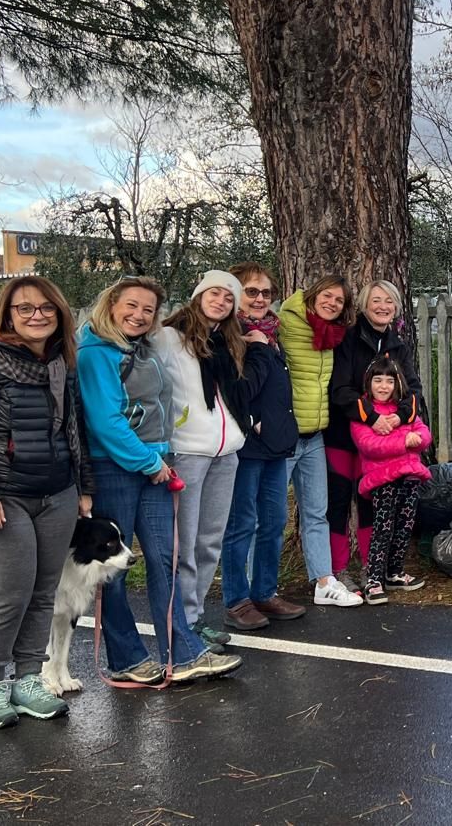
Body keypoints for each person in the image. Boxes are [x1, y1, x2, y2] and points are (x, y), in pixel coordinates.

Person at [77, 276, 241, 684]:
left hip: (155, 464)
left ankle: (183, 652)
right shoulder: (95, 353)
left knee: (165, 557)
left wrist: (158, 458)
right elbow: (105, 421)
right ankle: (127, 659)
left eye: (148, 310)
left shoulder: (145, 348)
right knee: (114, 566)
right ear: (111, 304)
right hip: (116, 469)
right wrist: (149, 462)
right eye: (131, 306)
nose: (139, 315)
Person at [0, 276, 92, 729]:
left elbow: (75, 429)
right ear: (7, 314)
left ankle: (29, 679)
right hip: (3, 498)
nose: (36, 315)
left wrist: (83, 487)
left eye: (46, 307)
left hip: (58, 496)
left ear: (59, 314)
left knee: (43, 595)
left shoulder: (62, 362)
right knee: (9, 596)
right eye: (25, 308)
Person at [156, 270, 249, 651]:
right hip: (188, 450)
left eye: (229, 298)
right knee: (185, 541)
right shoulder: (169, 337)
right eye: (215, 293)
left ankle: (194, 617)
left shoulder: (228, 343)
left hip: (226, 451)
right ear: (198, 295)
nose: (221, 301)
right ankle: (181, 623)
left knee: (210, 540)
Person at [221, 262, 306, 632]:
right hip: (246, 445)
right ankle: (236, 600)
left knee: (274, 521)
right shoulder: (231, 336)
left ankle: (265, 592)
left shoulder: (272, 334)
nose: (259, 299)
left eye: (266, 292)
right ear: (236, 295)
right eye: (251, 291)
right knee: (242, 523)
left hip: (275, 443)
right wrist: (252, 418)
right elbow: (234, 389)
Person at [326, 280, 423, 582]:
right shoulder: (348, 338)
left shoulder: (398, 346)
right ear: (365, 305)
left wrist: (397, 418)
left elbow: (413, 390)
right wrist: (371, 418)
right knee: (339, 503)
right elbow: (340, 389)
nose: (383, 307)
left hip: (382, 441)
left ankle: (373, 570)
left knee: (373, 504)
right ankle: (338, 570)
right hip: (343, 436)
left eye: (389, 301)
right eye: (376, 301)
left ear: (396, 307)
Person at [277, 274, 363, 608]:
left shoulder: (332, 334)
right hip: (284, 436)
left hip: (314, 436)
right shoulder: (286, 323)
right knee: (271, 518)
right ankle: (259, 587)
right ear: (313, 295)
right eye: (327, 296)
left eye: (339, 300)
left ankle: (324, 582)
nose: (332, 303)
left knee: (316, 513)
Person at [348, 357, 434, 605]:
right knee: (383, 528)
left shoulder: (403, 410)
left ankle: (394, 572)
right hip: (384, 479)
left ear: (397, 384)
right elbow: (370, 445)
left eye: (389, 381)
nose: (384, 386)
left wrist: (418, 438)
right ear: (369, 382)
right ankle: (374, 579)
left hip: (410, 476)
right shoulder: (366, 413)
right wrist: (404, 442)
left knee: (404, 525)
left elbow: (423, 432)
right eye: (378, 380)